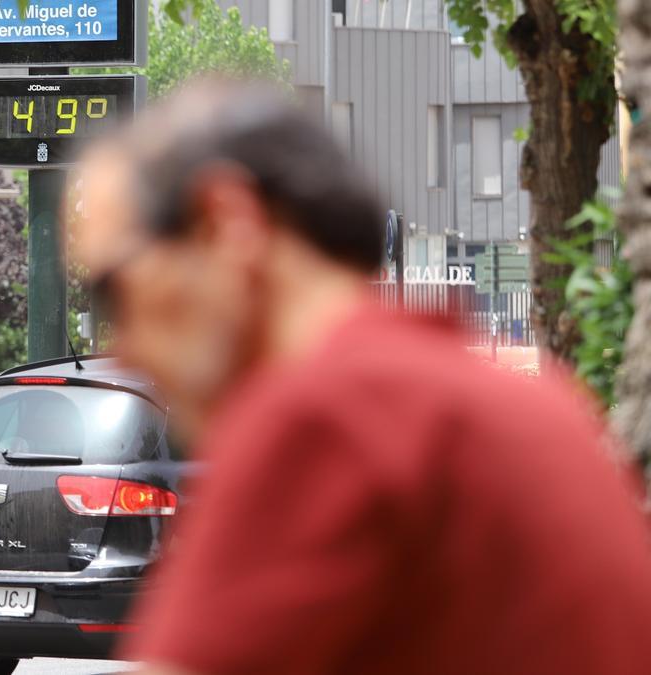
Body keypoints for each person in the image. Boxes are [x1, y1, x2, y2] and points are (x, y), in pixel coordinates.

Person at [66, 79, 651, 675]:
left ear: (225, 220)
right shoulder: (526, 403)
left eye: (113, 292)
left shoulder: (322, 416)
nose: (126, 349)